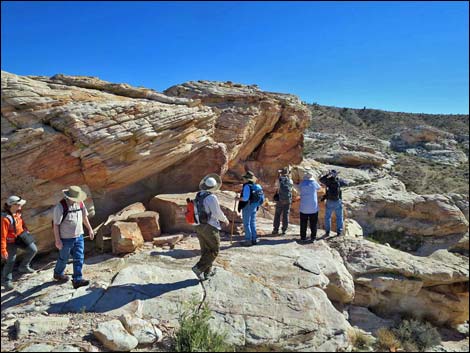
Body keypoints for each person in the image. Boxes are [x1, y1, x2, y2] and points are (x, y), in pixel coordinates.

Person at [52, 186, 94, 289]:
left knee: (79, 258)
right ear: (69, 197)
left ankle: (77, 279)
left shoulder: (80, 203)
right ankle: (58, 273)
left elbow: (84, 217)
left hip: (79, 236)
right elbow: (56, 225)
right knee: (64, 258)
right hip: (66, 239)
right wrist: (57, 240)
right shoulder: (60, 207)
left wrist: (90, 229)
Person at [192, 174, 229, 281]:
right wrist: (225, 220)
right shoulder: (211, 197)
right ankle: (198, 268)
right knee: (214, 250)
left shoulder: (199, 195)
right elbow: (217, 213)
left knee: (206, 250)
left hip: (198, 225)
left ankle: (207, 273)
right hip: (209, 226)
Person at [1, 196, 37, 291]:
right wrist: (3, 250)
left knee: (33, 250)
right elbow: (2, 236)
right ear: (13, 205)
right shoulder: (5, 219)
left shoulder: (18, 212)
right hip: (10, 242)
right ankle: (6, 281)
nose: (20, 207)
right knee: (11, 260)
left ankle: (24, 266)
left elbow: (21, 222)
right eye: (19, 205)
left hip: (20, 237)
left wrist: (26, 230)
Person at [238, 171, 264, 246]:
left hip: (247, 206)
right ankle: (254, 239)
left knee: (246, 223)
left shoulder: (247, 186)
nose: (243, 179)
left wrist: (238, 199)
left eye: (244, 178)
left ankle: (248, 240)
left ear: (247, 179)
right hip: (255, 206)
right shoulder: (258, 186)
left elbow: (245, 198)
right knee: (252, 222)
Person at [319, 170, 348, 237]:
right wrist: (337, 177)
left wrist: (327, 175)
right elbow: (346, 183)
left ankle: (327, 231)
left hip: (329, 201)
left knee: (327, 217)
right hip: (337, 201)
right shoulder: (338, 181)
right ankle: (339, 231)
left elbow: (321, 179)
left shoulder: (327, 181)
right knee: (339, 217)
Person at [298, 170, 322, 243]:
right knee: (313, 223)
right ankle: (313, 237)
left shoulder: (302, 184)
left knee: (303, 223)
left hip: (303, 207)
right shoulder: (314, 183)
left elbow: (299, 189)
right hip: (313, 207)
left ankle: (303, 237)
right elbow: (319, 188)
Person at [272, 167, 295, 236]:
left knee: (277, 214)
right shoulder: (290, 180)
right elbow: (291, 189)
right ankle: (284, 230)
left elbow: (276, 187)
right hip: (287, 200)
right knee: (286, 215)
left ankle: (275, 229)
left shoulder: (279, 180)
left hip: (280, 200)